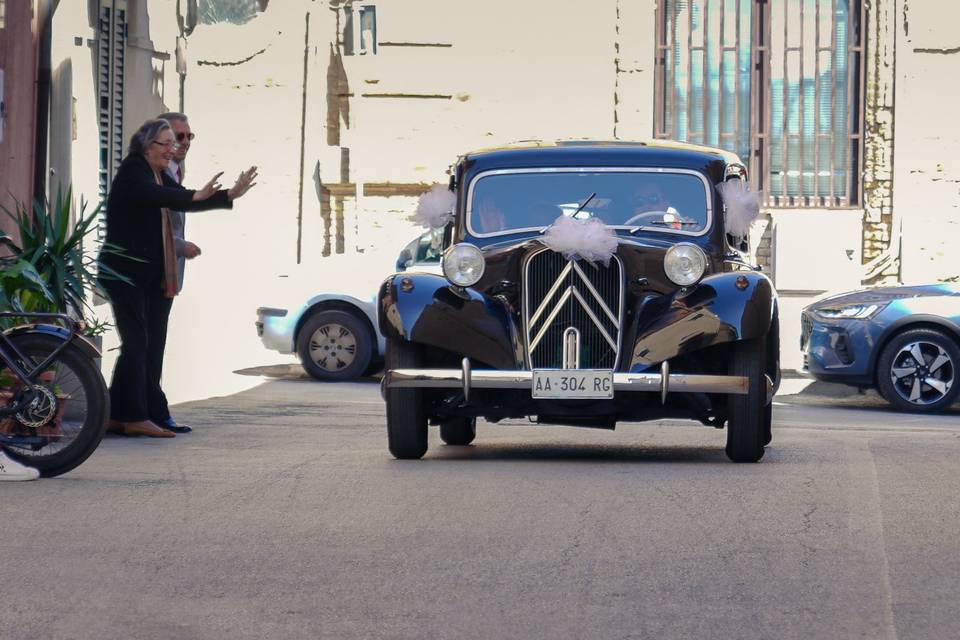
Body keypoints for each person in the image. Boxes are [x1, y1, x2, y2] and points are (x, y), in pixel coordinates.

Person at [98, 118, 257, 437]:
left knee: (140, 343)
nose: (173, 150)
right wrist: (199, 196)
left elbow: (185, 197)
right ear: (146, 145)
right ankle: (135, 416)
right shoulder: (134, 170)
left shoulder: (156, 173)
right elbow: (163, 198)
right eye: (167, 144)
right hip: (124, 272)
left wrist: (229, 195)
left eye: (176, 143)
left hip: (142, 273)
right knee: (138, 342)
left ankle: (119, 413)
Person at [151, 111, 202, 433]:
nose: (183, 144)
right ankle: (152, 412)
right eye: (176, 138)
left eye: (187, 137)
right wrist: (178, 245)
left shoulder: (174, 170)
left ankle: (145, 410)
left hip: (167, 271)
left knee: (153, 342)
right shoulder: (154, 173)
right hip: (153, 269)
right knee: (150, 344)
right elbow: (146, 221)